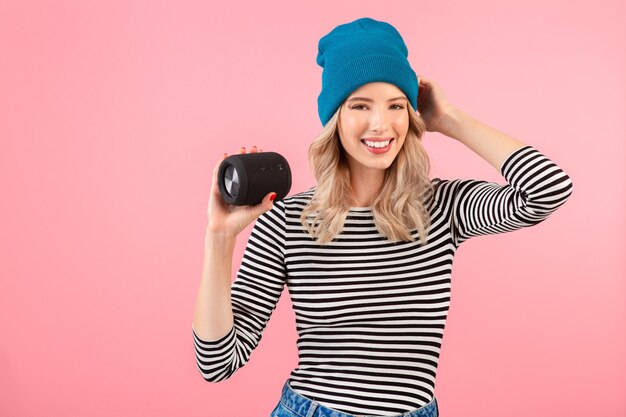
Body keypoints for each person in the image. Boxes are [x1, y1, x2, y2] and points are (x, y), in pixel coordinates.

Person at [191, 17, 573, 417]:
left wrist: (450, 119)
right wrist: (219, 238)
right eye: (360, 105)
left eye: (395, 106)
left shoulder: (441, 208)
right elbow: (217, 363)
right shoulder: (287, 221)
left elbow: (547, 190)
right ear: (334, 118)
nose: (380, 124)